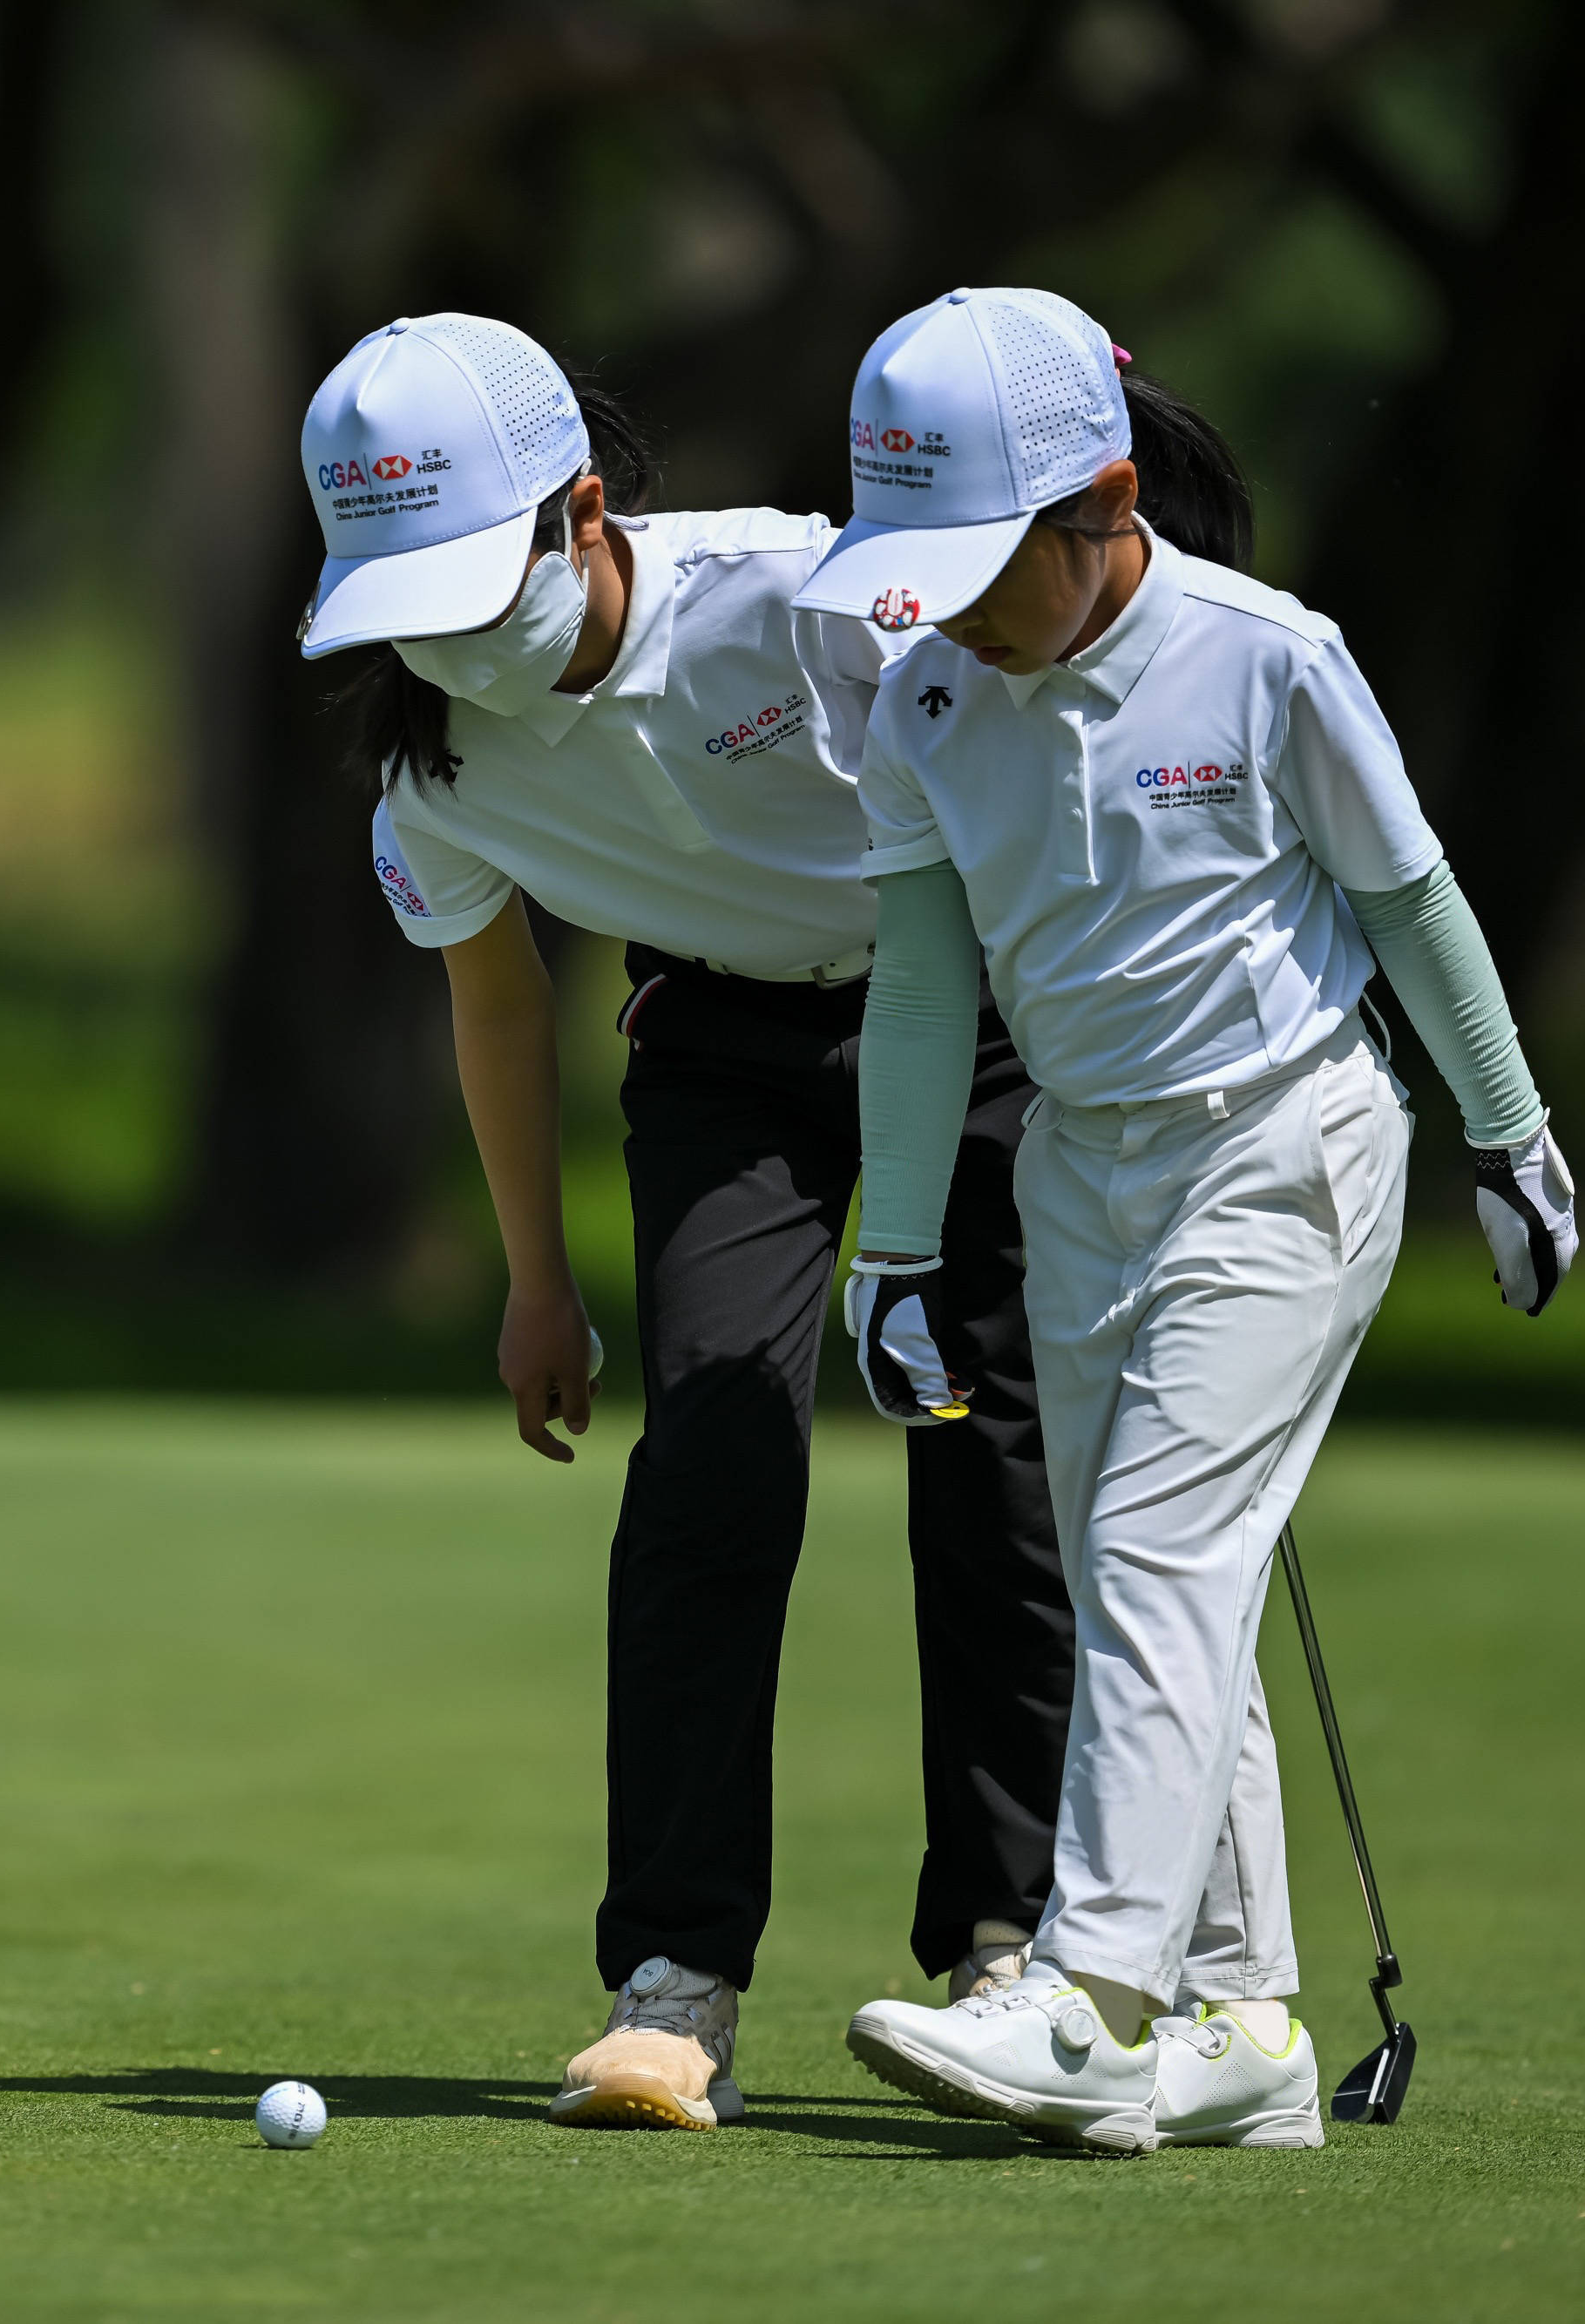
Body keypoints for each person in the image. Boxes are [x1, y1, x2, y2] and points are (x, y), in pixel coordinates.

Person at [806, 288, 1576, 2151]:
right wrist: (892, 1239)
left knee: (1155, 1550)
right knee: (1161, 1583)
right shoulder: (923, 694)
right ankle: (1239, 2029)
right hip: (1080, 1167)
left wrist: (1509, 1130)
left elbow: (1408, 902)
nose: (960, 605)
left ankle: (1084, 1997)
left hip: (1286, 1143)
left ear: (1105, 500)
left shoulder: (1265, 656)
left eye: (990, 558)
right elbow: (918, 988)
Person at [294, 312, 1072, 2131]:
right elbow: (496, 1007)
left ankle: (1008, 1938)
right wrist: (533, 1278)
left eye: (472, 586)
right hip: (722, 1046)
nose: (449, 644)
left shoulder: (806, 605)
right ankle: (673, 1980)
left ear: (580, 515)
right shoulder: (430, 768)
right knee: (712, 1446)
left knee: (986, 1443)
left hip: (961, 1014)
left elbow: (1029, 788)